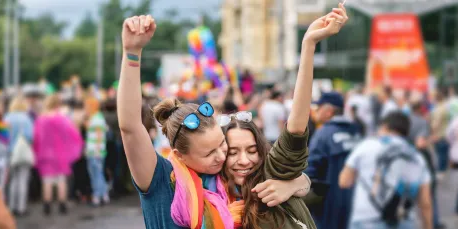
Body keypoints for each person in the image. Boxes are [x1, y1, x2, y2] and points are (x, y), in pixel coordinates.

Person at [117, 15, 316, 229]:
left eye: (222, 145)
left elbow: (290, 153)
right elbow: (130, 127)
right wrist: (132, 53)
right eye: (209, 153)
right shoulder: (162, 181)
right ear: (179, 155)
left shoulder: (232, 181)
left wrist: (297, 183)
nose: (221, 156)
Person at [216, 5, 349, 228]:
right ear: (219, 156)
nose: (244, 160)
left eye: (251, 150)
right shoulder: (206, 198)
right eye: (233, 152)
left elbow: (295, 128)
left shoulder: (271, 175)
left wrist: (308, 45)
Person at [339, 112, 433, 229]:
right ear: (406, 132)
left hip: (366, 220)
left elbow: (344, 181)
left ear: (384, 127)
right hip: (403, 222)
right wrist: (428, 226)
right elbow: (425, 202)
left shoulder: (366, 146)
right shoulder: (417, 157)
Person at [305, 91, 362, 229]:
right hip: (355, 202)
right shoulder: (356, 131)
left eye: (319, 108)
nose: (316, 111)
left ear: (329, 111)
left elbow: (311, 172)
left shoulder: (323, 134)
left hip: (329, 207)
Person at [33, 94, 83, 215]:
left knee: (47, 181)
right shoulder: (62, 119)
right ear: (58, 104)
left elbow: (37, 137)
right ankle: (62, 205)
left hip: (45, 154)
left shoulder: (41, 119)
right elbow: (73, 134)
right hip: (61, 154)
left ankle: (47, 206)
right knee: (61, 180)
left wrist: (36, 151)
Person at [409, 102, 445, 229]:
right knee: (429, 193)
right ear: (419, 109)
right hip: (422, 159)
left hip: (406, 159)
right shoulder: (422, 122)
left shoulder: (405, 120)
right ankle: (432, 223)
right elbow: (421, 143)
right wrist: (431, 139)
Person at [4, 95, 34, 217]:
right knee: (22, 180)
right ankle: (21, 208)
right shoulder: (27, 119)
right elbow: (30, 137)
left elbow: (3, 136)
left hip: (9, 152)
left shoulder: (7, 118)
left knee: (12, 180)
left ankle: (11, 207)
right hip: (23, 152)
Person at [84, 97, 110, 206]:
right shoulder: (96, 117)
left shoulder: (97, 118)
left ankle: (98, 195)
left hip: (95, 151)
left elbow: (99, 135)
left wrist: (97, 150)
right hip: (94, 151)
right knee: (97, 173)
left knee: (96, 173)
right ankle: (102, 194)